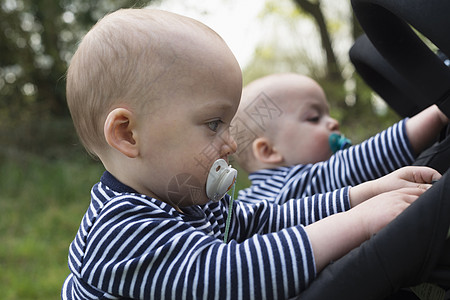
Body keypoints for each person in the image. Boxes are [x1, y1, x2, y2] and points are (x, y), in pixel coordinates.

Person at [61, 8, 441, 300]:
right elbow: (234, 275)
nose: (231, 143)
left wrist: (361, 196)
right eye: (213, 124)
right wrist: (358, 223)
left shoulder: (185, 199)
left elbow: (260, 221)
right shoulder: (120, 231)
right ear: (128, 134)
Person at [232, 72, 448, 205]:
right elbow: (361, 161)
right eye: (314, 118)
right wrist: (440, 112)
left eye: (328, 113)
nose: (333, 122)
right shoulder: (291, 189)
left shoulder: (248, 201)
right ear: (269, 151)